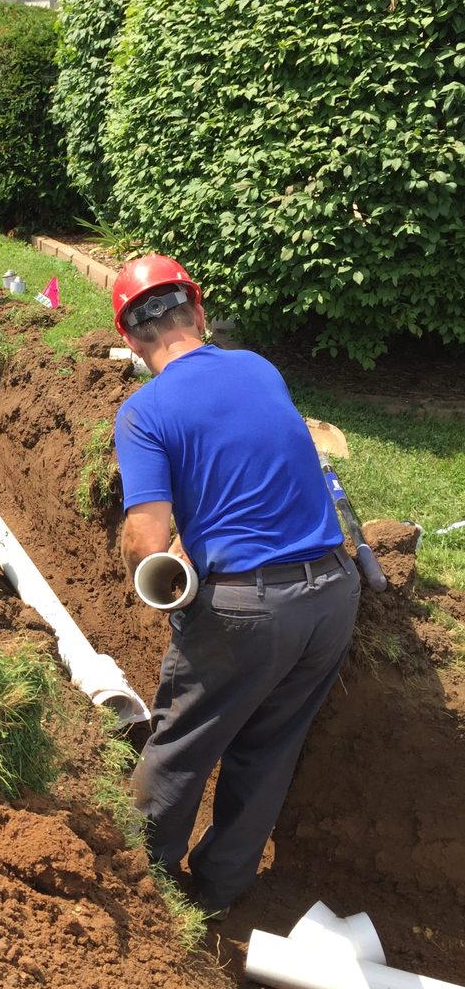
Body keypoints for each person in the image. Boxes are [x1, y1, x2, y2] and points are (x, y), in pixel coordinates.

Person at [111, 253, 360, 920]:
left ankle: (142, 889)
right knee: (268, 749)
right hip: (334, 597)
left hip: (248, 612)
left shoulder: (145, 412)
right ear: (195, 311)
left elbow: (146, 538)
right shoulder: (258, 368)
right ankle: (220, 890)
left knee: (180, 747)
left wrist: (168, 570)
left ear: (132, 340)